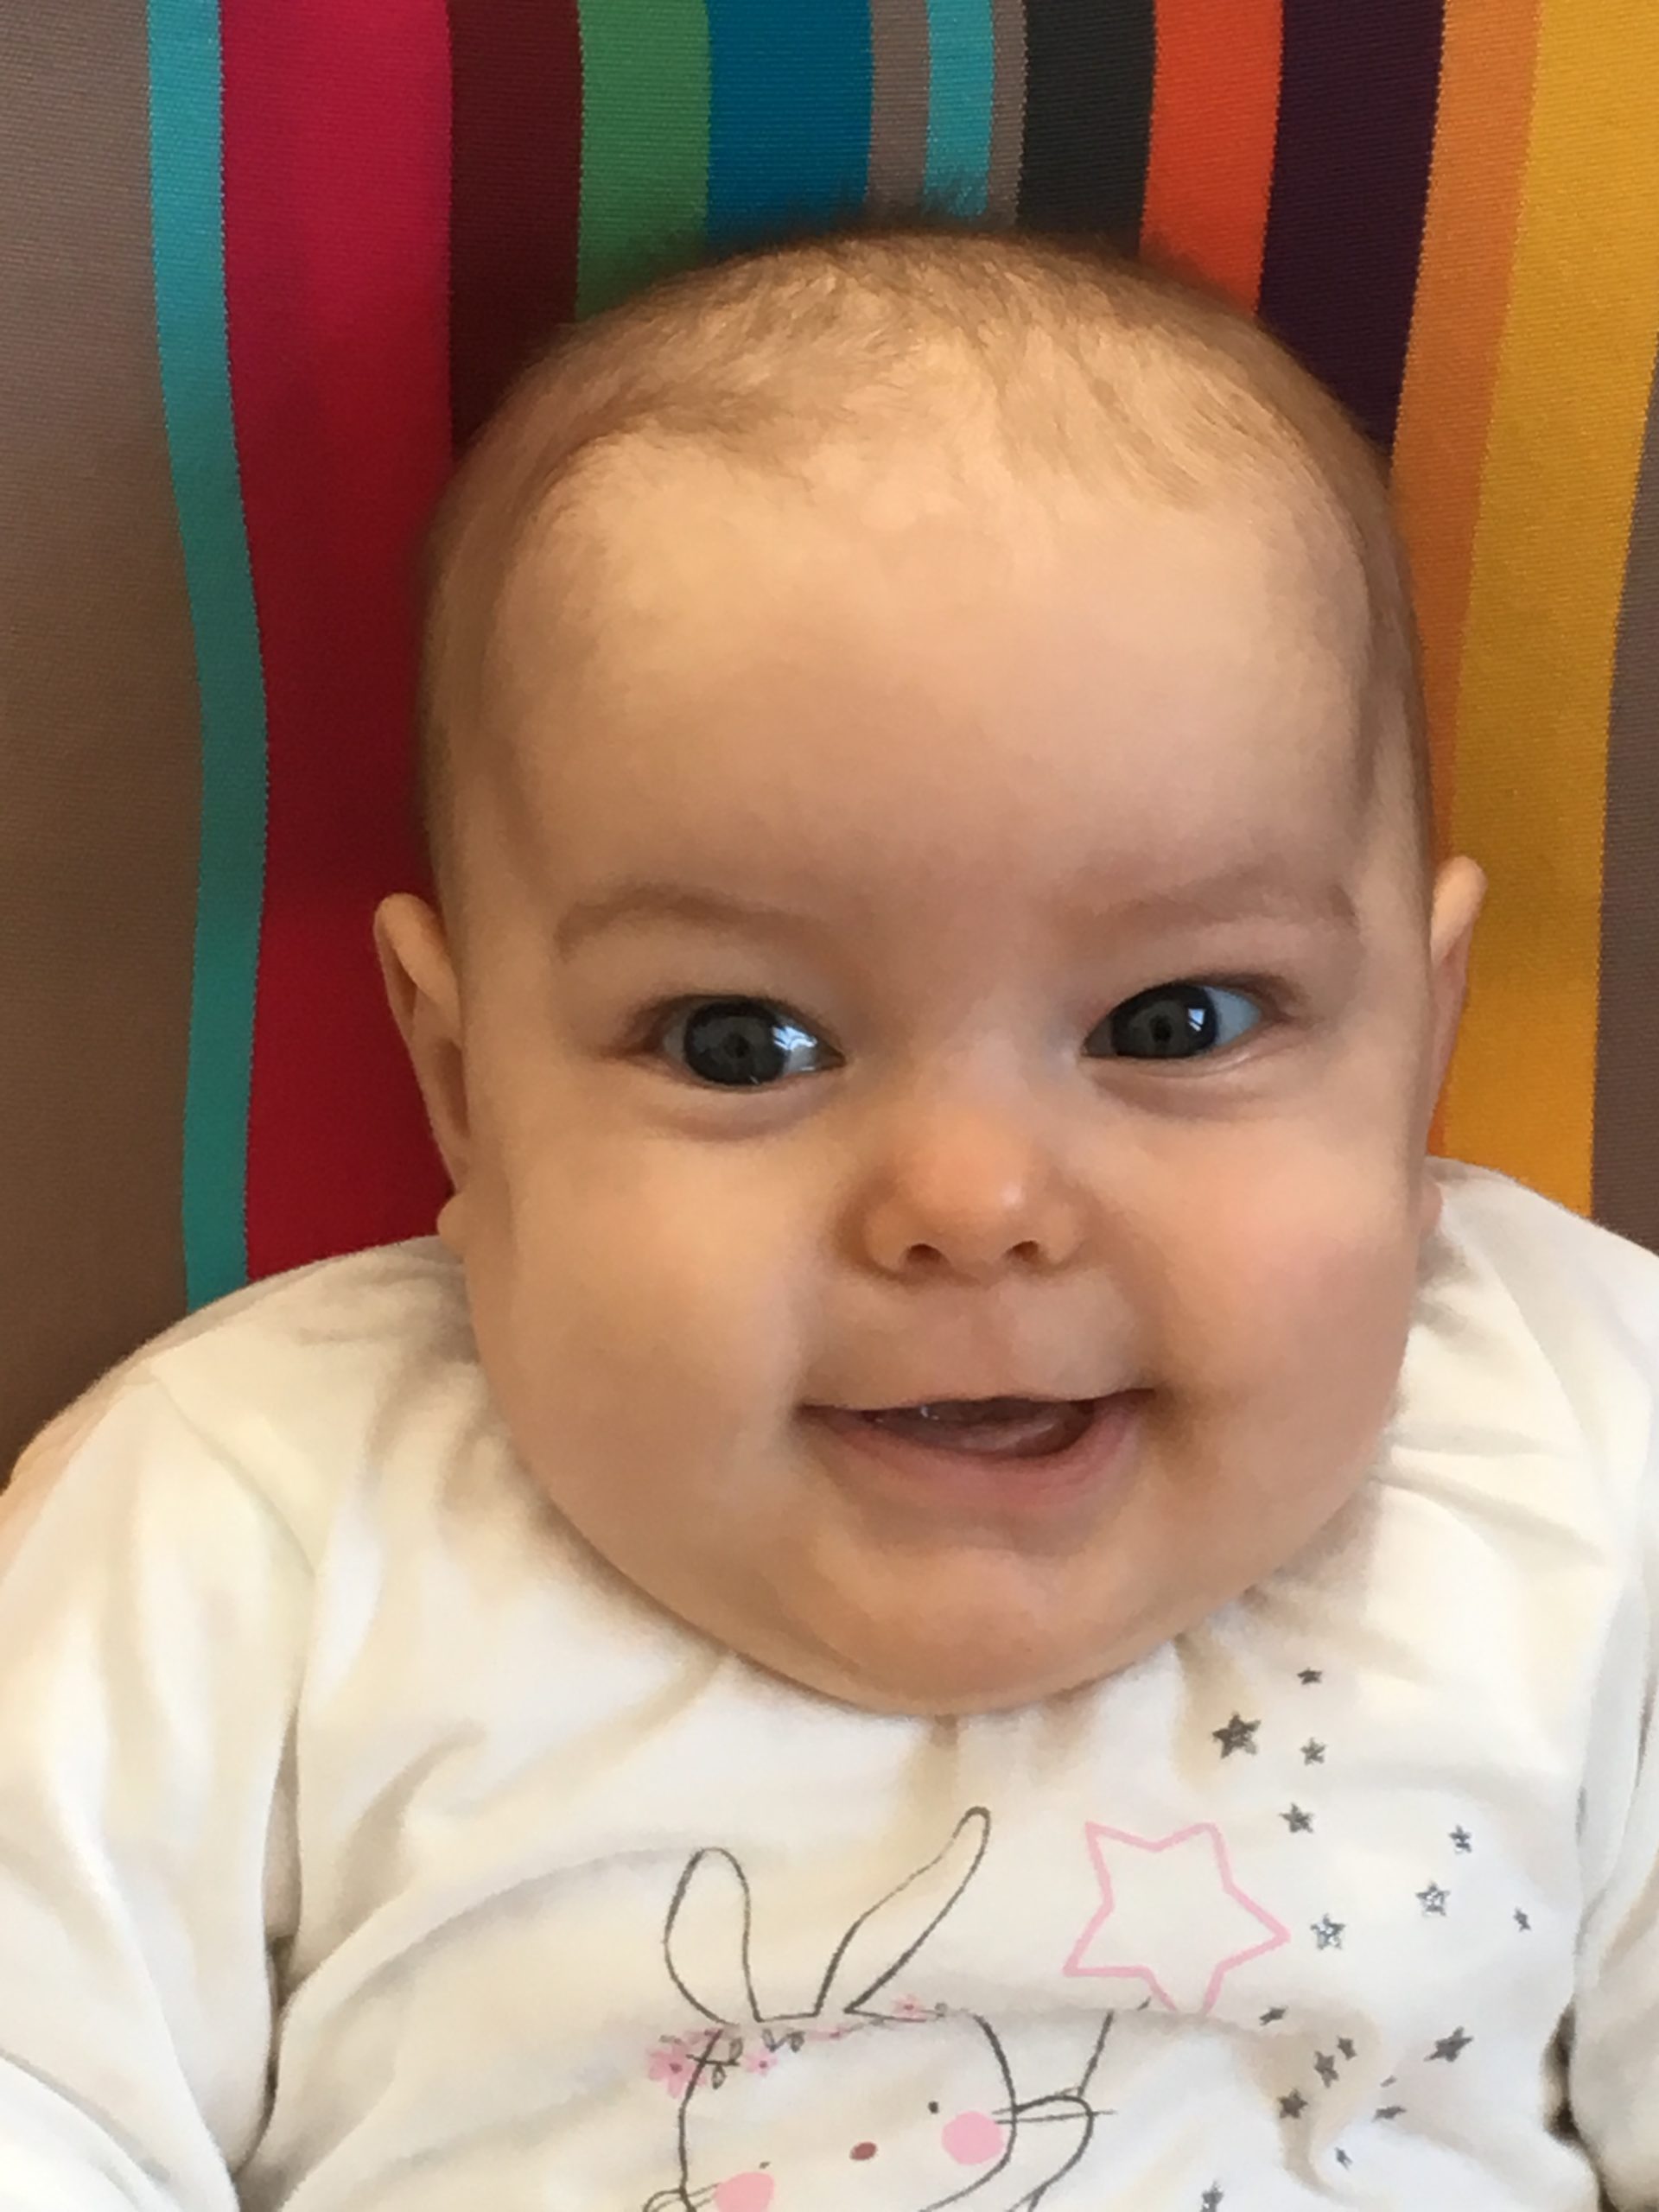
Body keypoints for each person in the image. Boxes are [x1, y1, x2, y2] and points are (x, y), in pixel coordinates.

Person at [1, 224, 1654, 2211]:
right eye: (742, 1041)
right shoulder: (244, 1514)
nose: (970, 1203)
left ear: (1419, 1039)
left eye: (1176, 1021)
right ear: (463, 1076)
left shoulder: (1586, 1434)